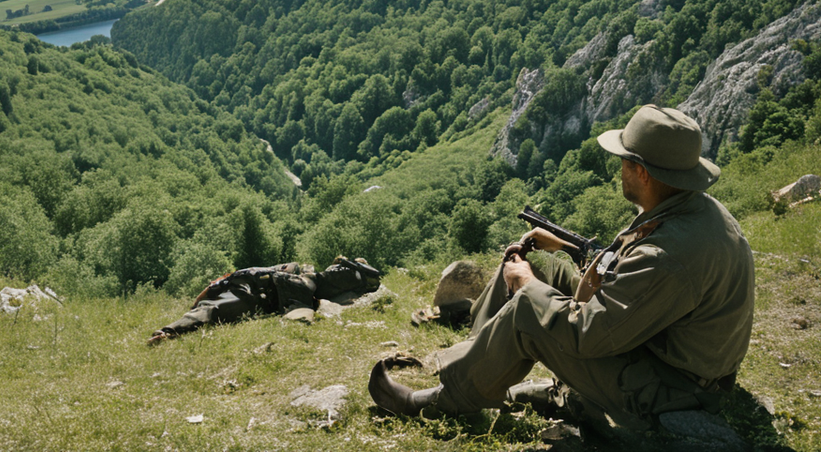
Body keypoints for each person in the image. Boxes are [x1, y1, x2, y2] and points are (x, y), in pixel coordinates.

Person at [369, 105, 755, 431]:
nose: (618, 167)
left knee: (528, 306)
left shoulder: (669, 256)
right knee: (546, 268)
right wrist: (571, 248)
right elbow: (632, 278)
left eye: (624, 160)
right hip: (661, 351)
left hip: (673, 393)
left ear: (642, 172)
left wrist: (525, 284)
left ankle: (440, 403)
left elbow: (587, 334)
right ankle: (472, 365)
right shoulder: (695, 210)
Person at [149, 257, 382, 344]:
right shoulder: (243, 280)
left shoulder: (232, 281)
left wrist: (195, 305)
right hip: (271, 292)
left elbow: (209, 294)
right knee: (312, 286)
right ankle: (167, 332)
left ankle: (168, 332)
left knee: (210, 309)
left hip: (262, 291)